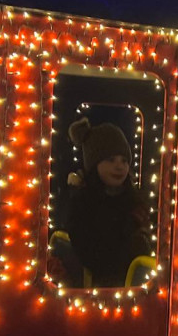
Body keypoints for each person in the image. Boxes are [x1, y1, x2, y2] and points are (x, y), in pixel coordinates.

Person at [64, 117, 152, 287]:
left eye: (124, 161)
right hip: (104, 288)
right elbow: (93, 257)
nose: (119, 166)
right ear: (94, 163)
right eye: (111, 160)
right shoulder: (83, 204)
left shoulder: (134, 201)